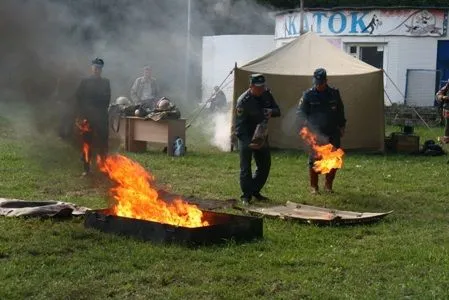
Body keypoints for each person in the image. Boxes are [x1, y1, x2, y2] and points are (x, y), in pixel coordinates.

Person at [297, 68, 346, 194]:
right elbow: (301, 113)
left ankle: (328, 185)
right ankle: (314, 186)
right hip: (316, 132)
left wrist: (342, 126)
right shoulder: (308, 95)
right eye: (317, 82)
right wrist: (305, 127)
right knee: (314, 159)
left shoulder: (334, 93)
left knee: (334, 159)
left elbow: (340, 110)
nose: (318, 85)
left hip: (332, 131)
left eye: (321, 83)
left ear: (326, 81)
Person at [234, 74, 281, 205]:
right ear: (251, 86)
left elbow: (278, 110)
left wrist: (271, 111)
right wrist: (249, 143)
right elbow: (239, 126)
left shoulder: (267, 94)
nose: (261, 89)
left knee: (265, 165)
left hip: (261, 133)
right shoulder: (243, 101)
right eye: (258, 87)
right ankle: (246, 196)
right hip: (246, 135)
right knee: (246, 167)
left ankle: (254, 190)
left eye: (263, 86)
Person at [75, 58, 111, 176]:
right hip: (87, 117)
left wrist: (98, 110)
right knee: (87, 144)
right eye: (95, 68)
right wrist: (81, 115)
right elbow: (78, 98)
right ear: (91, 68)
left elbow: (107, 100)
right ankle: (86, 169)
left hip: (101, 117)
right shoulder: (85, 82)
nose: (97, 70)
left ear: (101, 70)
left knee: (103, 143)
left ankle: (104, 167)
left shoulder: (105, 82)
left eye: (99, 68)